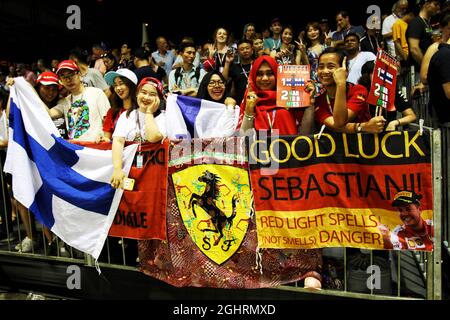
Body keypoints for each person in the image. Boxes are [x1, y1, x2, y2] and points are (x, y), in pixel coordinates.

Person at [110, 77, 167, 188]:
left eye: (152, 94)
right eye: (143, 92)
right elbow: (118, 141)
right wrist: (117, 169)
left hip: (154, 174)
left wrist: (149, 113)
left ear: (159, 99)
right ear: (137, 94)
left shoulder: (164, 117)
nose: (146, 97)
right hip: (129, 170)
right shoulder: (126, 116)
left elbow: (153, 137)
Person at [238, 55, 315, 136]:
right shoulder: (249, 99)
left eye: (270, 73)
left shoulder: (290, 94)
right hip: (260, 148)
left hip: (290, 147)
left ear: (276, 74)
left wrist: (310, 102)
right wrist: (249, 110)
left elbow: (305, 134)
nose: (265, 78)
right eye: (259, 74)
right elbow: (243, 138)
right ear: (254, 76)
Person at [314, 47, 384, 133]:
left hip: (362, 143)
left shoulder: (358, 90)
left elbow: (340, 122)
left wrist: (340, 83)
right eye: (321, 67)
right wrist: (363, 127)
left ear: (345, 70)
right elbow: (336, 125)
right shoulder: (318, 100)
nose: (324, 71)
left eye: (330, 67)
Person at [49, 60, 110, 142]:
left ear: (79, 74)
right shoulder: (64, 102)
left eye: (71, 75)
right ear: (61, 81)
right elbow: (48, 113)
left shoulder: (96, 93)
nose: (68, 80)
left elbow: (108, 120)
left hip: (96, 147)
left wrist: (105, 136)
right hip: (77, 150)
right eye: (64, 77)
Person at [358, 61, 417, 131]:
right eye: (377, 72)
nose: (380, 76)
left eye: (383, 73)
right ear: (366, 76)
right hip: (365, 136)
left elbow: (411, 116)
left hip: (388, 135)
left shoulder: (392, 91)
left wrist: (394, 123)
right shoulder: (359, 92)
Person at [100, 68, 138, 143]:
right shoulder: (112, 112)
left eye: (121, 83)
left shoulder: (141, 110)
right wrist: (104, 140)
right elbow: (107, 137)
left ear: (131, 85)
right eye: (115, 85)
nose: (118, 88)